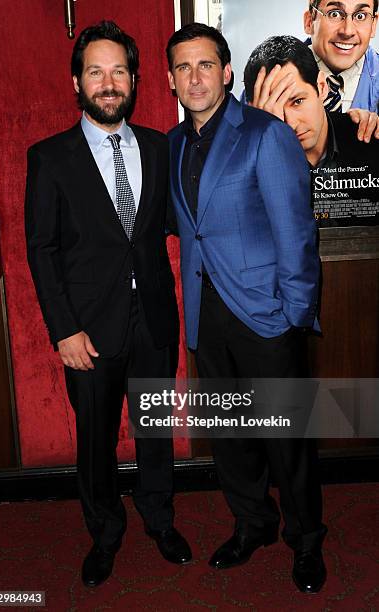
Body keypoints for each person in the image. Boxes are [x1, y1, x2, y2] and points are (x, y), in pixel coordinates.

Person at [25, 20, 191, 588]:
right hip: (88, 332)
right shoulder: (49, 158)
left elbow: (174, 223)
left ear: (136, 79)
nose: (108, 82)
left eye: (118, 70)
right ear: (77, 82)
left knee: (154, 430)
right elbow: (41, 250)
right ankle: (105, 533)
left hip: (155, 322)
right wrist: (63, 329)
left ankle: (160, 519)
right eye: (95, 71)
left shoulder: (159, 146)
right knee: (94, 439)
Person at [166, 23, 327, 594]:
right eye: (183, 68)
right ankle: (253, 523)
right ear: (170, 80)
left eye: (205, 64)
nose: (194, 76)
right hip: (208, 313)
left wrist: (294, 315)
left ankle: (307, 540)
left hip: (267, 314)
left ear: (227, 72)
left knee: (287, 441)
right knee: (231, 438)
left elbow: (296, 230)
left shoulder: (265, 133)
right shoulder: (174, 143)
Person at [243, 35, 379, 227]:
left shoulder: (368, 137)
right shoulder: (243, 169)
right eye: (275, 111)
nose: (291, 123)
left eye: (297, 101)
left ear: (322, 88)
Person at [304, 0, 379, 112]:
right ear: (309, 22)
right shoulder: (276, 78)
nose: (348, 31)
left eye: (360, 16)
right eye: (334, 14)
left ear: (373, 25)